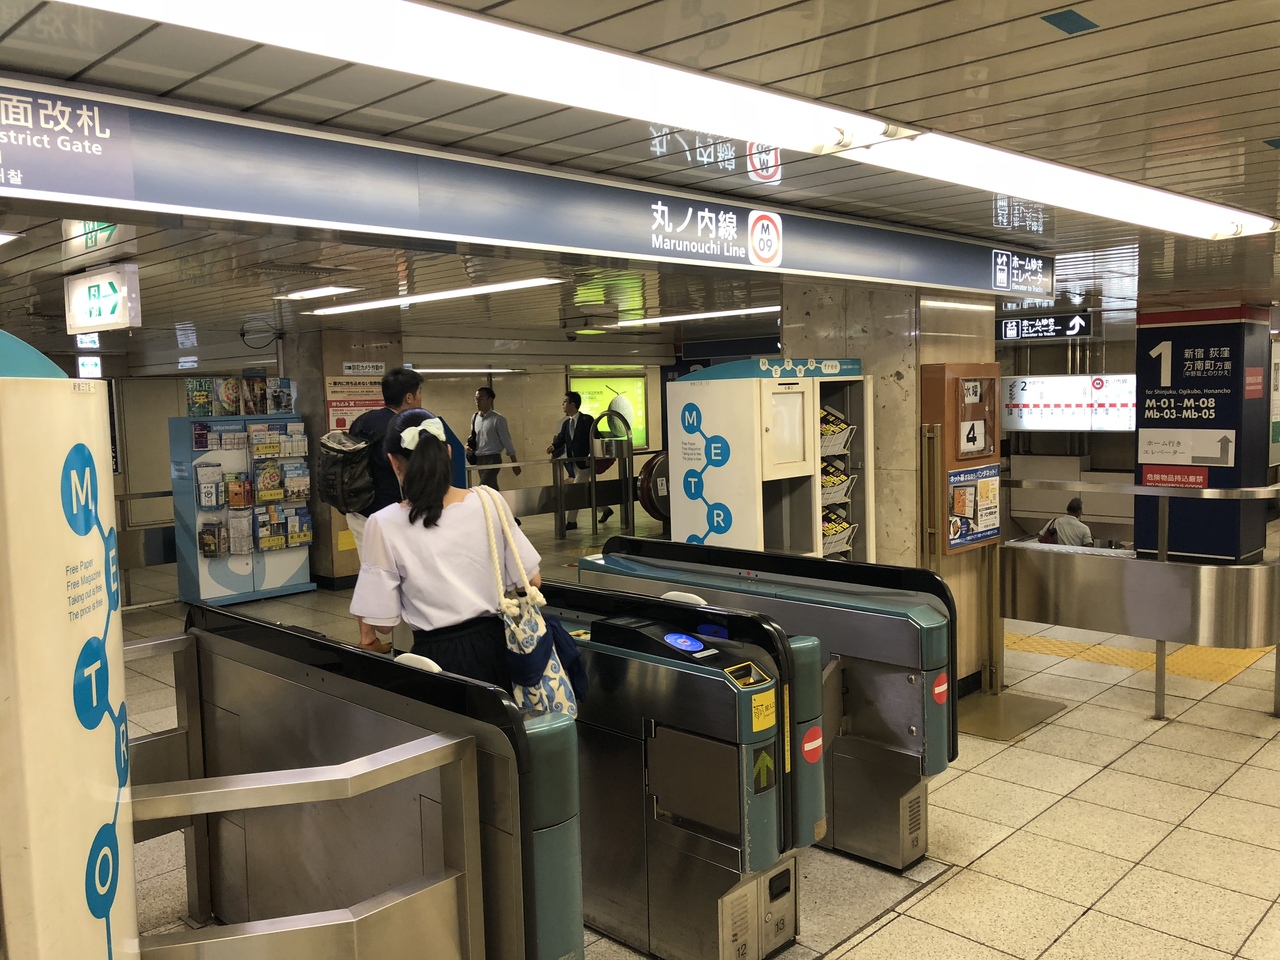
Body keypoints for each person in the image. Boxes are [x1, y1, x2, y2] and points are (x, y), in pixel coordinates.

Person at [350, 409, 541, 688]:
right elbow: (532, 581)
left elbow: (382, 623)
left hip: (435, 658)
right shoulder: (488, 500)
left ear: (393, 462)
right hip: (496, 648)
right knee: (498, 715)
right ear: (449, 453)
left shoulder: (383, 523)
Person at [347, 368, 423, 652]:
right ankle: (384, 630)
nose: (420, 399)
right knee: (395, 574)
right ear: (408, 397)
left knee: (368, 570)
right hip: (388, 514)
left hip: (357, 510)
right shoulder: (402, 428)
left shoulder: (363, 420)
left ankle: (368, 636)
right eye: (419, 393)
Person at [547, 391, 609, 529]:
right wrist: (553, 446)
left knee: (576, 490)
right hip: (573, 461)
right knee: (586, 489)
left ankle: (571, 521)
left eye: (565, 402)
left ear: (572, 404)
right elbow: (561, 439)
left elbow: (595, 438)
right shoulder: (566, 423)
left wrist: (591, 456)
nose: (562, 404)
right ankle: (605, 508)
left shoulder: (587, 420)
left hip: (585, 462)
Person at [466, 386, 522, 488]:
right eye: (476, 399)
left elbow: (506, 441)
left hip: (493, 458)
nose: (477, 402)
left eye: (481, 399)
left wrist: (514, 462)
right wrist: (467, 447)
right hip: (479, 459)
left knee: (483, 487)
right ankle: (498, 499)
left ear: (490, 400)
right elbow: (474, 436)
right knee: (492, 488)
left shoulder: (498, 419)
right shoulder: (475, 417)